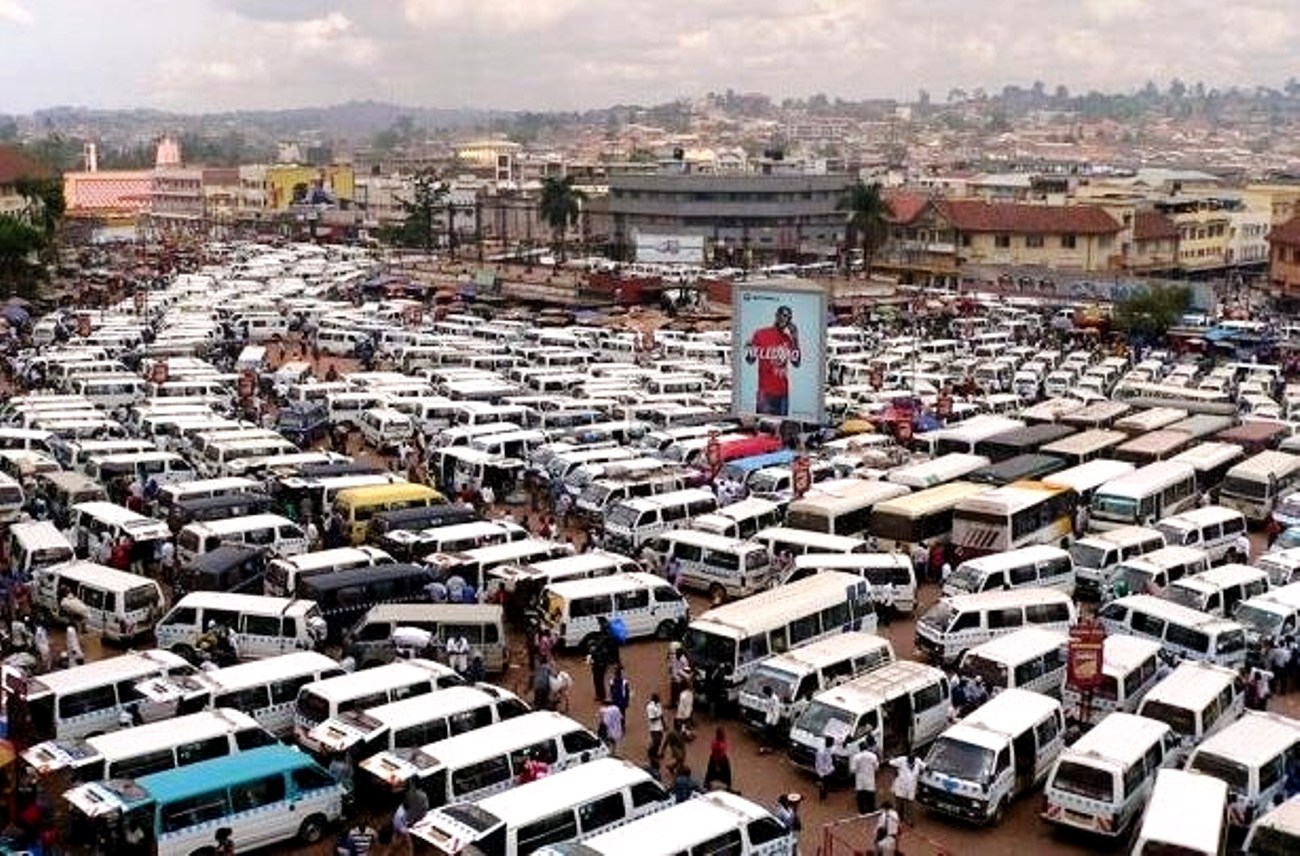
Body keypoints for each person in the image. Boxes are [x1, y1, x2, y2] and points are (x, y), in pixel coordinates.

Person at [745, 305, 802, 416]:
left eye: (789, 318)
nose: (785, 319)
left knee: (780, 428)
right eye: (783, 315)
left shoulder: (788, 339)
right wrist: (749, 347)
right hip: (765, 392)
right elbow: (750, 360)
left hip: (783, 393)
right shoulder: (760, 334)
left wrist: (795, 338)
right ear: (776, 316)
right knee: (764, 426)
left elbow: (796, 363)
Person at [889, 752, 924, 825]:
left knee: (910, 804)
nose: (910, 761)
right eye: (909, 760)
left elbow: (925, 767)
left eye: (912, 760)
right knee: (899, 803)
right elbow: (891, 762)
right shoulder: (901, 760)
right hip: (900, 785)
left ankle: (909, 820)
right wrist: (896, 770)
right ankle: (897, 819)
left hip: (911, 787)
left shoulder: (918, 762)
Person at [850, 737, 880, 815]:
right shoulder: (873, 756)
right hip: (870, 777)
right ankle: (871, 809)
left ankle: (862, 810)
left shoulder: (856, 757)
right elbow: (877, 767)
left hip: (860, 778)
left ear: (860, 748)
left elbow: (853, 769)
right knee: (870, 794)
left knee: (860, 795)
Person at [759, 685, 783, 755]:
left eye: (765, 693)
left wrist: (774, 722)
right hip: (768, 718)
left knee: (767, 734)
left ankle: (766, 748)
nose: (765, 694)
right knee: (767, 735)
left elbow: (776, 711)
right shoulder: (769, 698)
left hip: (772, 721)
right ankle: (766, 748)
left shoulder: (775, 699)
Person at [646, 692, 665, 774]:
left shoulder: (658, 704)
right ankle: (651, 753)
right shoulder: (650, 707)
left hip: (659, 726)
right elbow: (652, 719)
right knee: (656, 741)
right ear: (654, 699)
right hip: (654, 727)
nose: (659, 700)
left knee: (659, 740)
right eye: (657, 698)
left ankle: (655, 753)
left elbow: (662, 715)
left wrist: (664, 724)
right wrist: (659, 716)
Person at [814, 736, 835, 801]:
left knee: (826, 784)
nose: (833, 744)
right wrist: (828, 771)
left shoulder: (828, 749)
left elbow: (829, 760)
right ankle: (822, 797)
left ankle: (824, 794)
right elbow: (820, 764)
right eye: (832, 742)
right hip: (824, 772)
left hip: (828, 770)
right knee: (823, 784)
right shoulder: (821, 752)